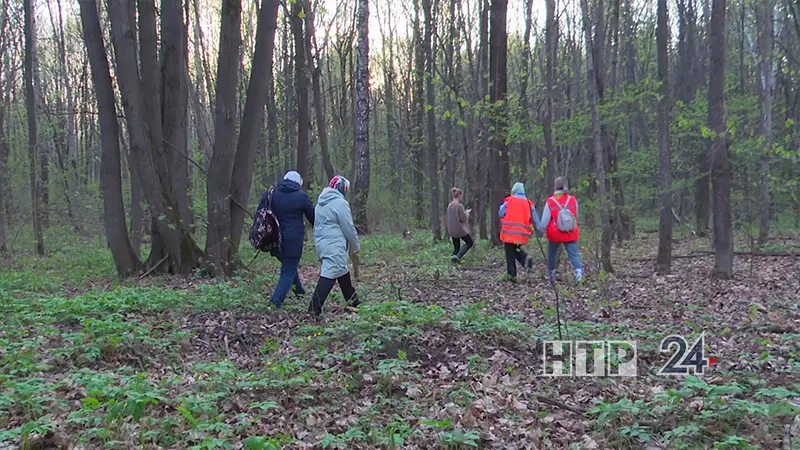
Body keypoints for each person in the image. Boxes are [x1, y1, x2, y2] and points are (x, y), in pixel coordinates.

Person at [257, 170, 314, 308]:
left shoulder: (271, 193)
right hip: (292, 241)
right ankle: (275, 303)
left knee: (289, 267)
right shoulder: (301, 196)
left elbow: (260, 212)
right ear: (298, 183)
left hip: (273, 239)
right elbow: (313, 217)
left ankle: (299, 292)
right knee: (288, 270)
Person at [309, 175, 361, 318]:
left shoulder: (320, 203)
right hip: (334, 245)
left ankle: (355, 303)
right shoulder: (340, 203)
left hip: (323, 244)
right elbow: (348, 228)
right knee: (329, 274)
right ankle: (313, 309)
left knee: (343, 274)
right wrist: (356, 246)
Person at [536, 176, 583, 284]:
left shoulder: (550, 201)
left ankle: (552, 275)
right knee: (574, 254)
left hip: (555, 234)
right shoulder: (572, 199)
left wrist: (540, 228)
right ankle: (579, 274)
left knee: (552, 253)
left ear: (555, 186)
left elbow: (545, 220)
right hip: (570, 232)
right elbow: (576, 215)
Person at [498, 182, 540, 281]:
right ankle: (525, 259)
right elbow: (535, 218)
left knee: (510, 255)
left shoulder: (509, 201)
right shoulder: (528, 203)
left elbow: (501, 213)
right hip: (521, 235)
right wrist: (540, 228)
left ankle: (512, 276)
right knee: (515, 249)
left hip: (509, 234)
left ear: (514, 191)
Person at [446, 187, 473, 263]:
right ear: (459, 195)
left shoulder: (449, 206)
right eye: (461, 196)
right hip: (460, 230)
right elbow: (463, 218)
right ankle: (457, 257)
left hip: (452, 230)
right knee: (469, 243)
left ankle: (453, 262)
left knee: (456, 247)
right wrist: (466, 213)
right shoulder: (459, 206)